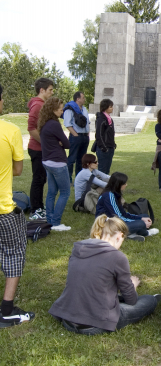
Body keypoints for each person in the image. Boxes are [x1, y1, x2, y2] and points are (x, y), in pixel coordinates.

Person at [48, 215, 160, 335]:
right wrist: (132, 285)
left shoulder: (77, 250)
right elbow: (131, 300)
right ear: (119, 236)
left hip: (68, 318)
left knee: (112, 296)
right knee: (148, 300)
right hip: (96, 323)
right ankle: (152, 300)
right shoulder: (117, 257)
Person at [0, 83, 35, 328]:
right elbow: (19, 169)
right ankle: (6, 310)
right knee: (13, 253)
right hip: (3, 209)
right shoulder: (10, 130)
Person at [38, 97, 71, 231]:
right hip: (57, 163)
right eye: (60, 109)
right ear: (53, 110)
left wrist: (60, 143)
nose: (62, 111)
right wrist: (61, 143)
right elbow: (68, 143)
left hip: (47, 161)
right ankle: (56, 223)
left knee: (52, 192)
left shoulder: (44, 123)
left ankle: (50, 220)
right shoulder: (54, 124)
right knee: (65, 192)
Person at [96, 172, 159, 241]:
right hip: (107, 227)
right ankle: (146, 233)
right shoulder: (109, 196)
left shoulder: (114, 194)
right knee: (141, 224)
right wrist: (140, 221)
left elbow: (123, 214)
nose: (126, 185)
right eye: (124, 183)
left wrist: (141, 218)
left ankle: (130, 234)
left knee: (145, 216)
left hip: (115, 222)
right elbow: (117, 218)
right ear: (118, 185)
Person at [27, 77, 54, 220]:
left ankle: (39, 207)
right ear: (41, 90)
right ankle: (35, 210)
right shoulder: (37, 105)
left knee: (41, 179)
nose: (52, 93)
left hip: (42, 149)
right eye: (50, 90)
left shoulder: (42, 104)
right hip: (37, 149)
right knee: (38, 179)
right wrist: (45, 144)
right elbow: (31, 128)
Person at [63, 91, 90, 183]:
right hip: (76, 137)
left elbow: (87, 122)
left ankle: (79, 179)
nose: (84, 99)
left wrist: (87, 134)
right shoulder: (69, 109)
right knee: (72, 159)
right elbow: (67, 123)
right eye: (83, 98)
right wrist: (75, 135)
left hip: (85, 137)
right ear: (77, 99)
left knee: (81, 159)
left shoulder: (84, 109)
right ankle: (68, 179)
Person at [95, 99, 116, 174]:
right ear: (105, 107)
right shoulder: (101, 119)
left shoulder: (109, 119)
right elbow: (99, 135)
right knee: (102, 170)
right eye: (110, 107)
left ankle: (105, 185)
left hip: (110, 146)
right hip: (103, 148)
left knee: (107, 169)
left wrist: (113, 144)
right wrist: (103, 147)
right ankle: (99, 185)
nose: (112, 108)